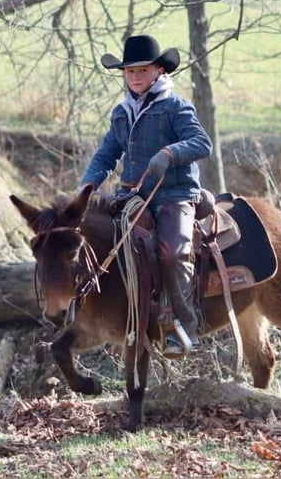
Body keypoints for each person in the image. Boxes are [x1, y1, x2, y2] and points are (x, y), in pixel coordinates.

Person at [79, 34, 213, 356]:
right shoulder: (121, 113)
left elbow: (201, 142)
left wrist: (170, 152)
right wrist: (86, 188)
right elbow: (106, 155)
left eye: (143, 70)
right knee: (98, 242)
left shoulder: (175, 106)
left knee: (171, 252)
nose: (136, 77)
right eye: (130, 71)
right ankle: (122, 318)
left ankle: (183, 326)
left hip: (173, 194)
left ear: (159, 72)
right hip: (132, 196)